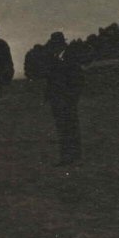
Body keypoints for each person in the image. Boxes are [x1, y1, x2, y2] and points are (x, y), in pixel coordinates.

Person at [42, 32, 84, 166]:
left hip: (68, 100)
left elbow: (78, 79)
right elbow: (50, 80)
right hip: (57, 100)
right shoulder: (53, 59)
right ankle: (67, 156)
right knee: (62, 128)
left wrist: (73, 97)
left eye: (56, 45)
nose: (54, 47)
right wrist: (48, 96)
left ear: (61, 45)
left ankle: (73, 157)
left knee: (70, 128)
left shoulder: (71, 58)